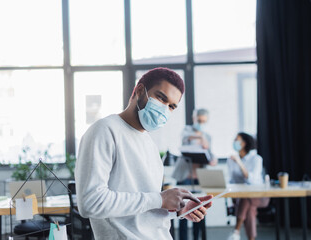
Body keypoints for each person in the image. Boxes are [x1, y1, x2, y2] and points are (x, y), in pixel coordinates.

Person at [75, 67, 213, 240]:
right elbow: (91, 203)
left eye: (171, 106)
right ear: (140, 90)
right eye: (161, 98)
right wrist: (160, 199)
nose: (164, 109)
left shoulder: (149, 144)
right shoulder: (105, 130)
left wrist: (177, 209)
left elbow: (145, 207)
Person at [172, 108, 218, 240]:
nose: (201, 123)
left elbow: (210, 154)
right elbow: (184, 141)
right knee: (182, 210)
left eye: (204, 121)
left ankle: (198, 237)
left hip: (200, 178)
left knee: (199, 209)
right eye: (199, 120)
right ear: (194, 118)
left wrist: (212, 159)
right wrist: (199, 136)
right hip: (185, 177)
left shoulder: (208, 137)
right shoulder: (186, 131)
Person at [227, 132, 269, 240]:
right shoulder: (231, 160)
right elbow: (232, 181)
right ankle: (247, 237)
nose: (234, 142)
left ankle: (236, 231)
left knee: (246, 196)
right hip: (241, 198)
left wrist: (239, 163)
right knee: (249, 208)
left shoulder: (256, 159)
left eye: (237, 140)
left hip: (259, 196)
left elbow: (251, 180)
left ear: (244, 143)